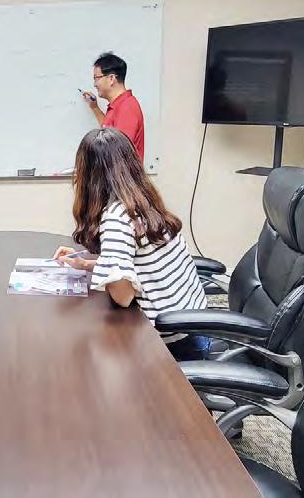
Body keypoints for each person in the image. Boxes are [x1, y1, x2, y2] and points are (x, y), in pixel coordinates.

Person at [53, 128, 209, 360]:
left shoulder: (116, 217)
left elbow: (123, 296)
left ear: (89, 176)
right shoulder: (142, 199)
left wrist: (106, 269)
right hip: (195, 326)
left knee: (82, 355)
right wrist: (86, 264)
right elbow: (139, 263)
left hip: (173, 345)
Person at [80, 52, 145, 162]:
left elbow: (119, 151)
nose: (95, 84)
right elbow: (110, 134)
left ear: (111, 79)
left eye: (96, 78)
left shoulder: (127, 107)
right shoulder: (117, 105)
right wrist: (95, 108)